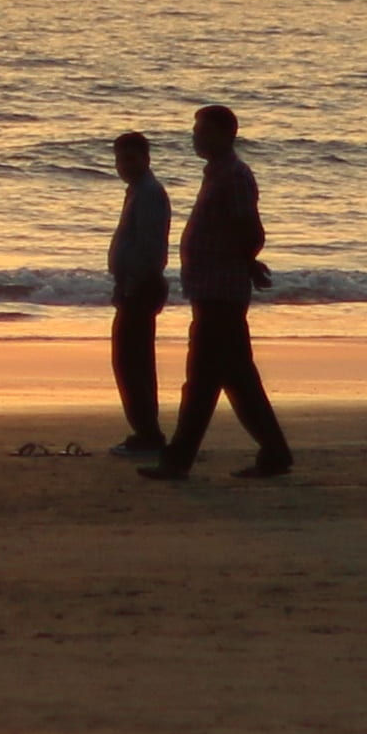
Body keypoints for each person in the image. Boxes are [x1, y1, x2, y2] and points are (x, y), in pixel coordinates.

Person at [146, 103, 291, 481]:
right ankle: (274, 453)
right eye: (196, 130)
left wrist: (247, 262)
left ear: (227, 135)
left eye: (203, 130)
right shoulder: (217, 174)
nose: (196, 136)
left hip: (221, 292)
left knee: (205, 378)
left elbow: (250, 229)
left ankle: (178, 459)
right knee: (232, 378)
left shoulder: (234, 176)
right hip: (212, 289)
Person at [103, 128, 176, 457]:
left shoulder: (148, 192)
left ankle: (147, 433)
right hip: (134, 284)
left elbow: (150, 247)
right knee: (132, 360)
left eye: (130, 158)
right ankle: (146, 431)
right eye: (120, 159)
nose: (124, 165)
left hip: (140, 285)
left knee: (131, 361)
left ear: (146, 159)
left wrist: (132, 283)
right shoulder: (137, 191)